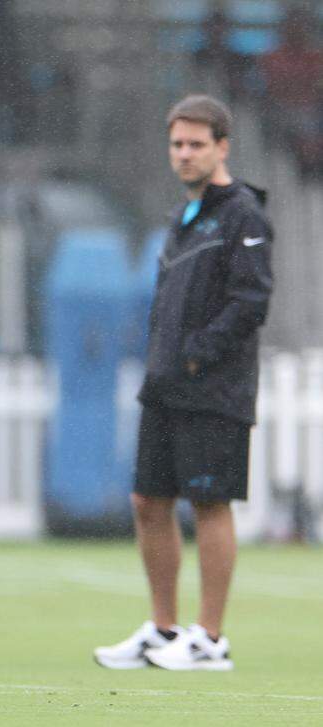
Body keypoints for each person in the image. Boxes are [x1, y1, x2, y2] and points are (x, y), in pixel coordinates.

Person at [94, 95, 272, 671]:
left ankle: (209, 639)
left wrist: (197, 356)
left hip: (212, 387)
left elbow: (251, 302)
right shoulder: (184, 216)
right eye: (178, 144)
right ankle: (163, 629)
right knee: (149, 500)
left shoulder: (244, 213)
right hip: (166, 384)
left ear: (223, 146)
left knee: (210, 501)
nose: (186, 154)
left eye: (197, 144)